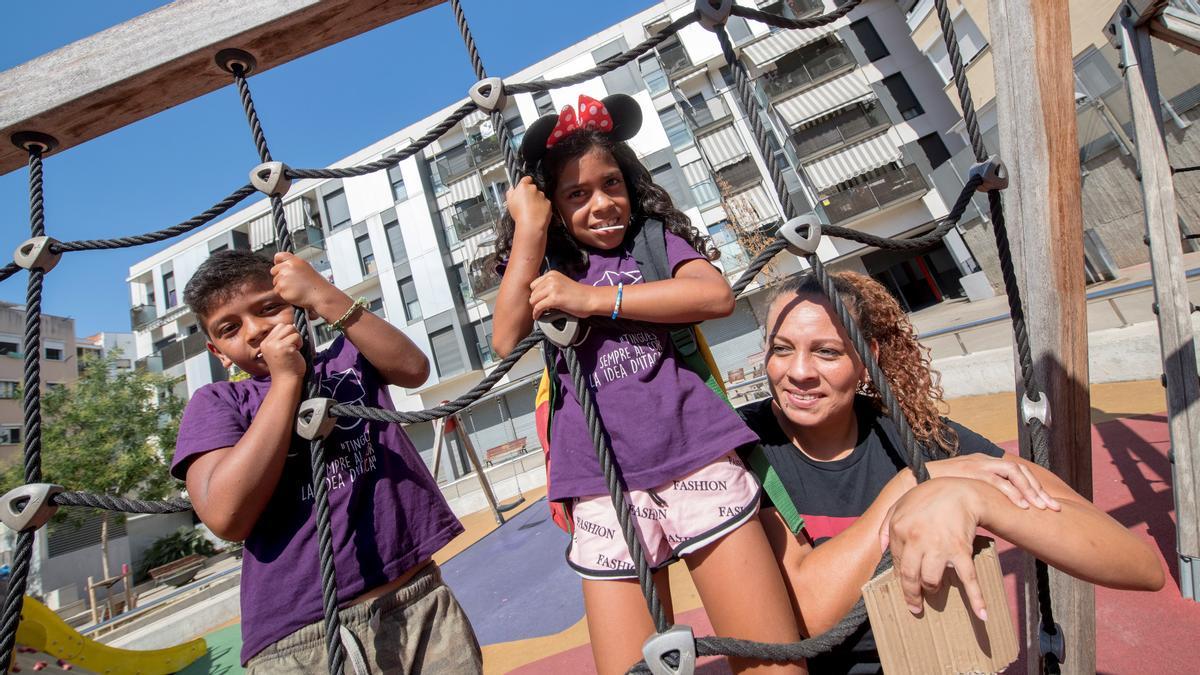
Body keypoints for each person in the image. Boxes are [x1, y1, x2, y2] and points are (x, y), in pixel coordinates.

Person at [492, 93, 803, 675]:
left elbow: (714, 295)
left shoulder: (652, 242)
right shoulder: (547, 267)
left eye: (612, 184)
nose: (602, 203)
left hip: (695, 458)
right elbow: (505, 338)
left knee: (771, 662)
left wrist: (593, 299)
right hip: (601, 483)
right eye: (577, 194)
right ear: (555, 209)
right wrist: (529, 231)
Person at [739, 270, 1165, 673]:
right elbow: (810, 612)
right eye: (781, 349)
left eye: (827, 351)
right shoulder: (742, 449)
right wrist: (911, 486)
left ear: (868, 358)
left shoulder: (917, 438)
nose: (798, 372)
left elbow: (1138, 565)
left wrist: (975, 498)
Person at [172, 249, 482, 673]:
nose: (256, 330)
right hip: (306, 635)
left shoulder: (346, 361)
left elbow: (414, 369)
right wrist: (285, 381)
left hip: (416, 595)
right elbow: (226, 516)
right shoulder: (221, 402)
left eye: (269, 308)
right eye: (230, 328)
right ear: (219, 352)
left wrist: (322, 294)